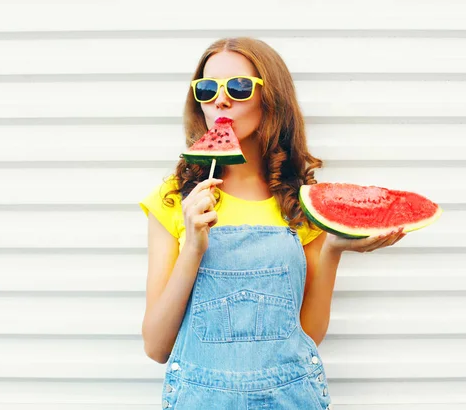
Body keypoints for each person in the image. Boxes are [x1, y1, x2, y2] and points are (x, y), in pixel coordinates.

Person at [139, 37, 405, 410]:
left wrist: (332, 249)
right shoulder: (173, 199)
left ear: (271, 98)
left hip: (290, 398)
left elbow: (305, 336)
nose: (221, 100)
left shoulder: (300, 202)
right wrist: (194, 249)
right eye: (207, 88)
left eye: (240, 87)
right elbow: (156, 347)